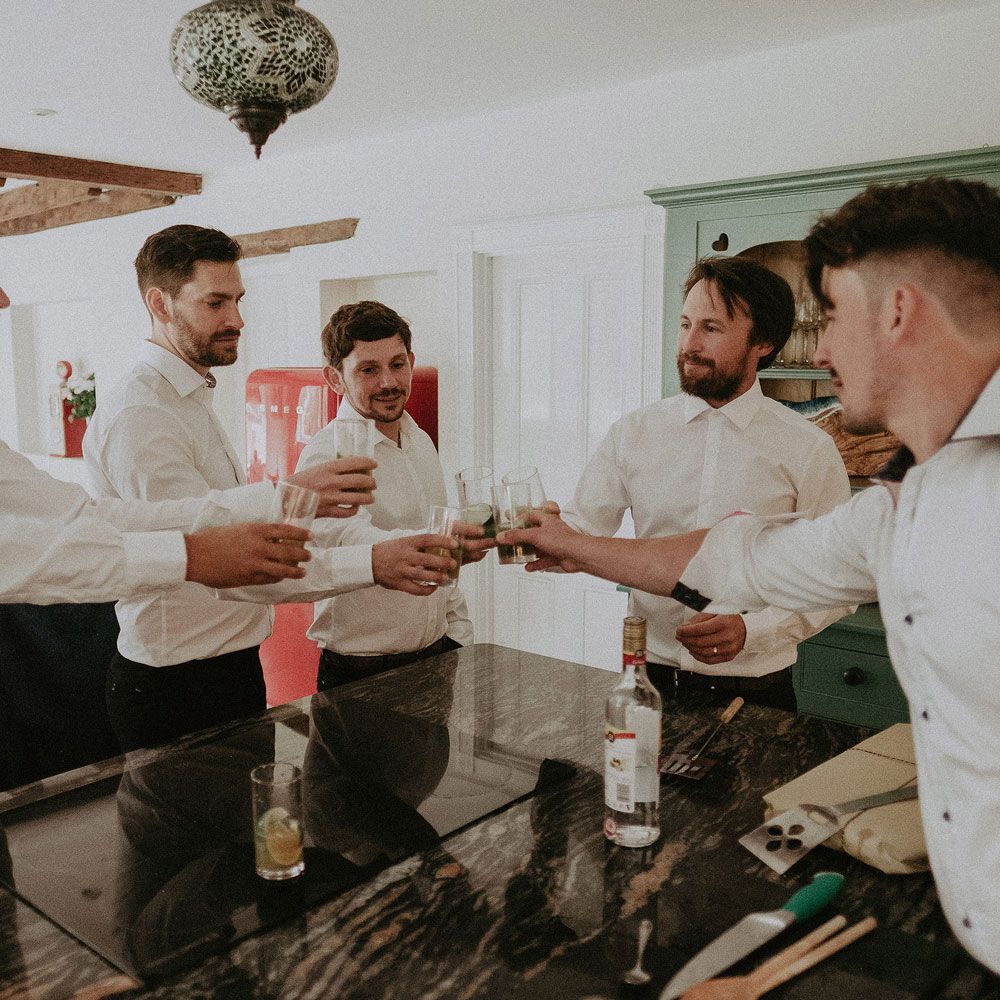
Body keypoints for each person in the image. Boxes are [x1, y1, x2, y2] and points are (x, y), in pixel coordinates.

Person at [501, 176, 1000, 974]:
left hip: (763, 694)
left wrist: (752, 629)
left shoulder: (821, 450)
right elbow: (747, 556)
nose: (824, 349)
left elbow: (782, 580)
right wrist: (569, 543)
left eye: (832, 316)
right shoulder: (909, 502)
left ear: (899, 312)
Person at [83, 228, 459, 751]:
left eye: (237, 300)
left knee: (250, 830)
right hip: (177, 684)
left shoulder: (187, 400)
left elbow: (242, 538)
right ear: (160, 304)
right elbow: (228, 564)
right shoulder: (143, 412)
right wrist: (369, 559)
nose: (237, 319)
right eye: (216, 302)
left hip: (228, 668)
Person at [562, 256, 851, 709]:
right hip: (646, 684)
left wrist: (753, 630)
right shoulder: (633, 433)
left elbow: (836, 578)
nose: (689, 344)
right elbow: (581, 529)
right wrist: (535, 527)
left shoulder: (808, 448)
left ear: (764, 343)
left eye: (711, 328)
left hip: (756, 694)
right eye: (684, 324)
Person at [296, 300, 480, 688]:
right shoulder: (325, 454)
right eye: (368, 369)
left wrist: (459, 636)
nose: (389, 383)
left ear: (411, 361)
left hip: (436, 654)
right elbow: (345, 544)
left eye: (397, 364)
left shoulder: (421, 441)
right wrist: (438, 544)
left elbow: (443, 551)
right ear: (335, 379)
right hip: (361, 669)